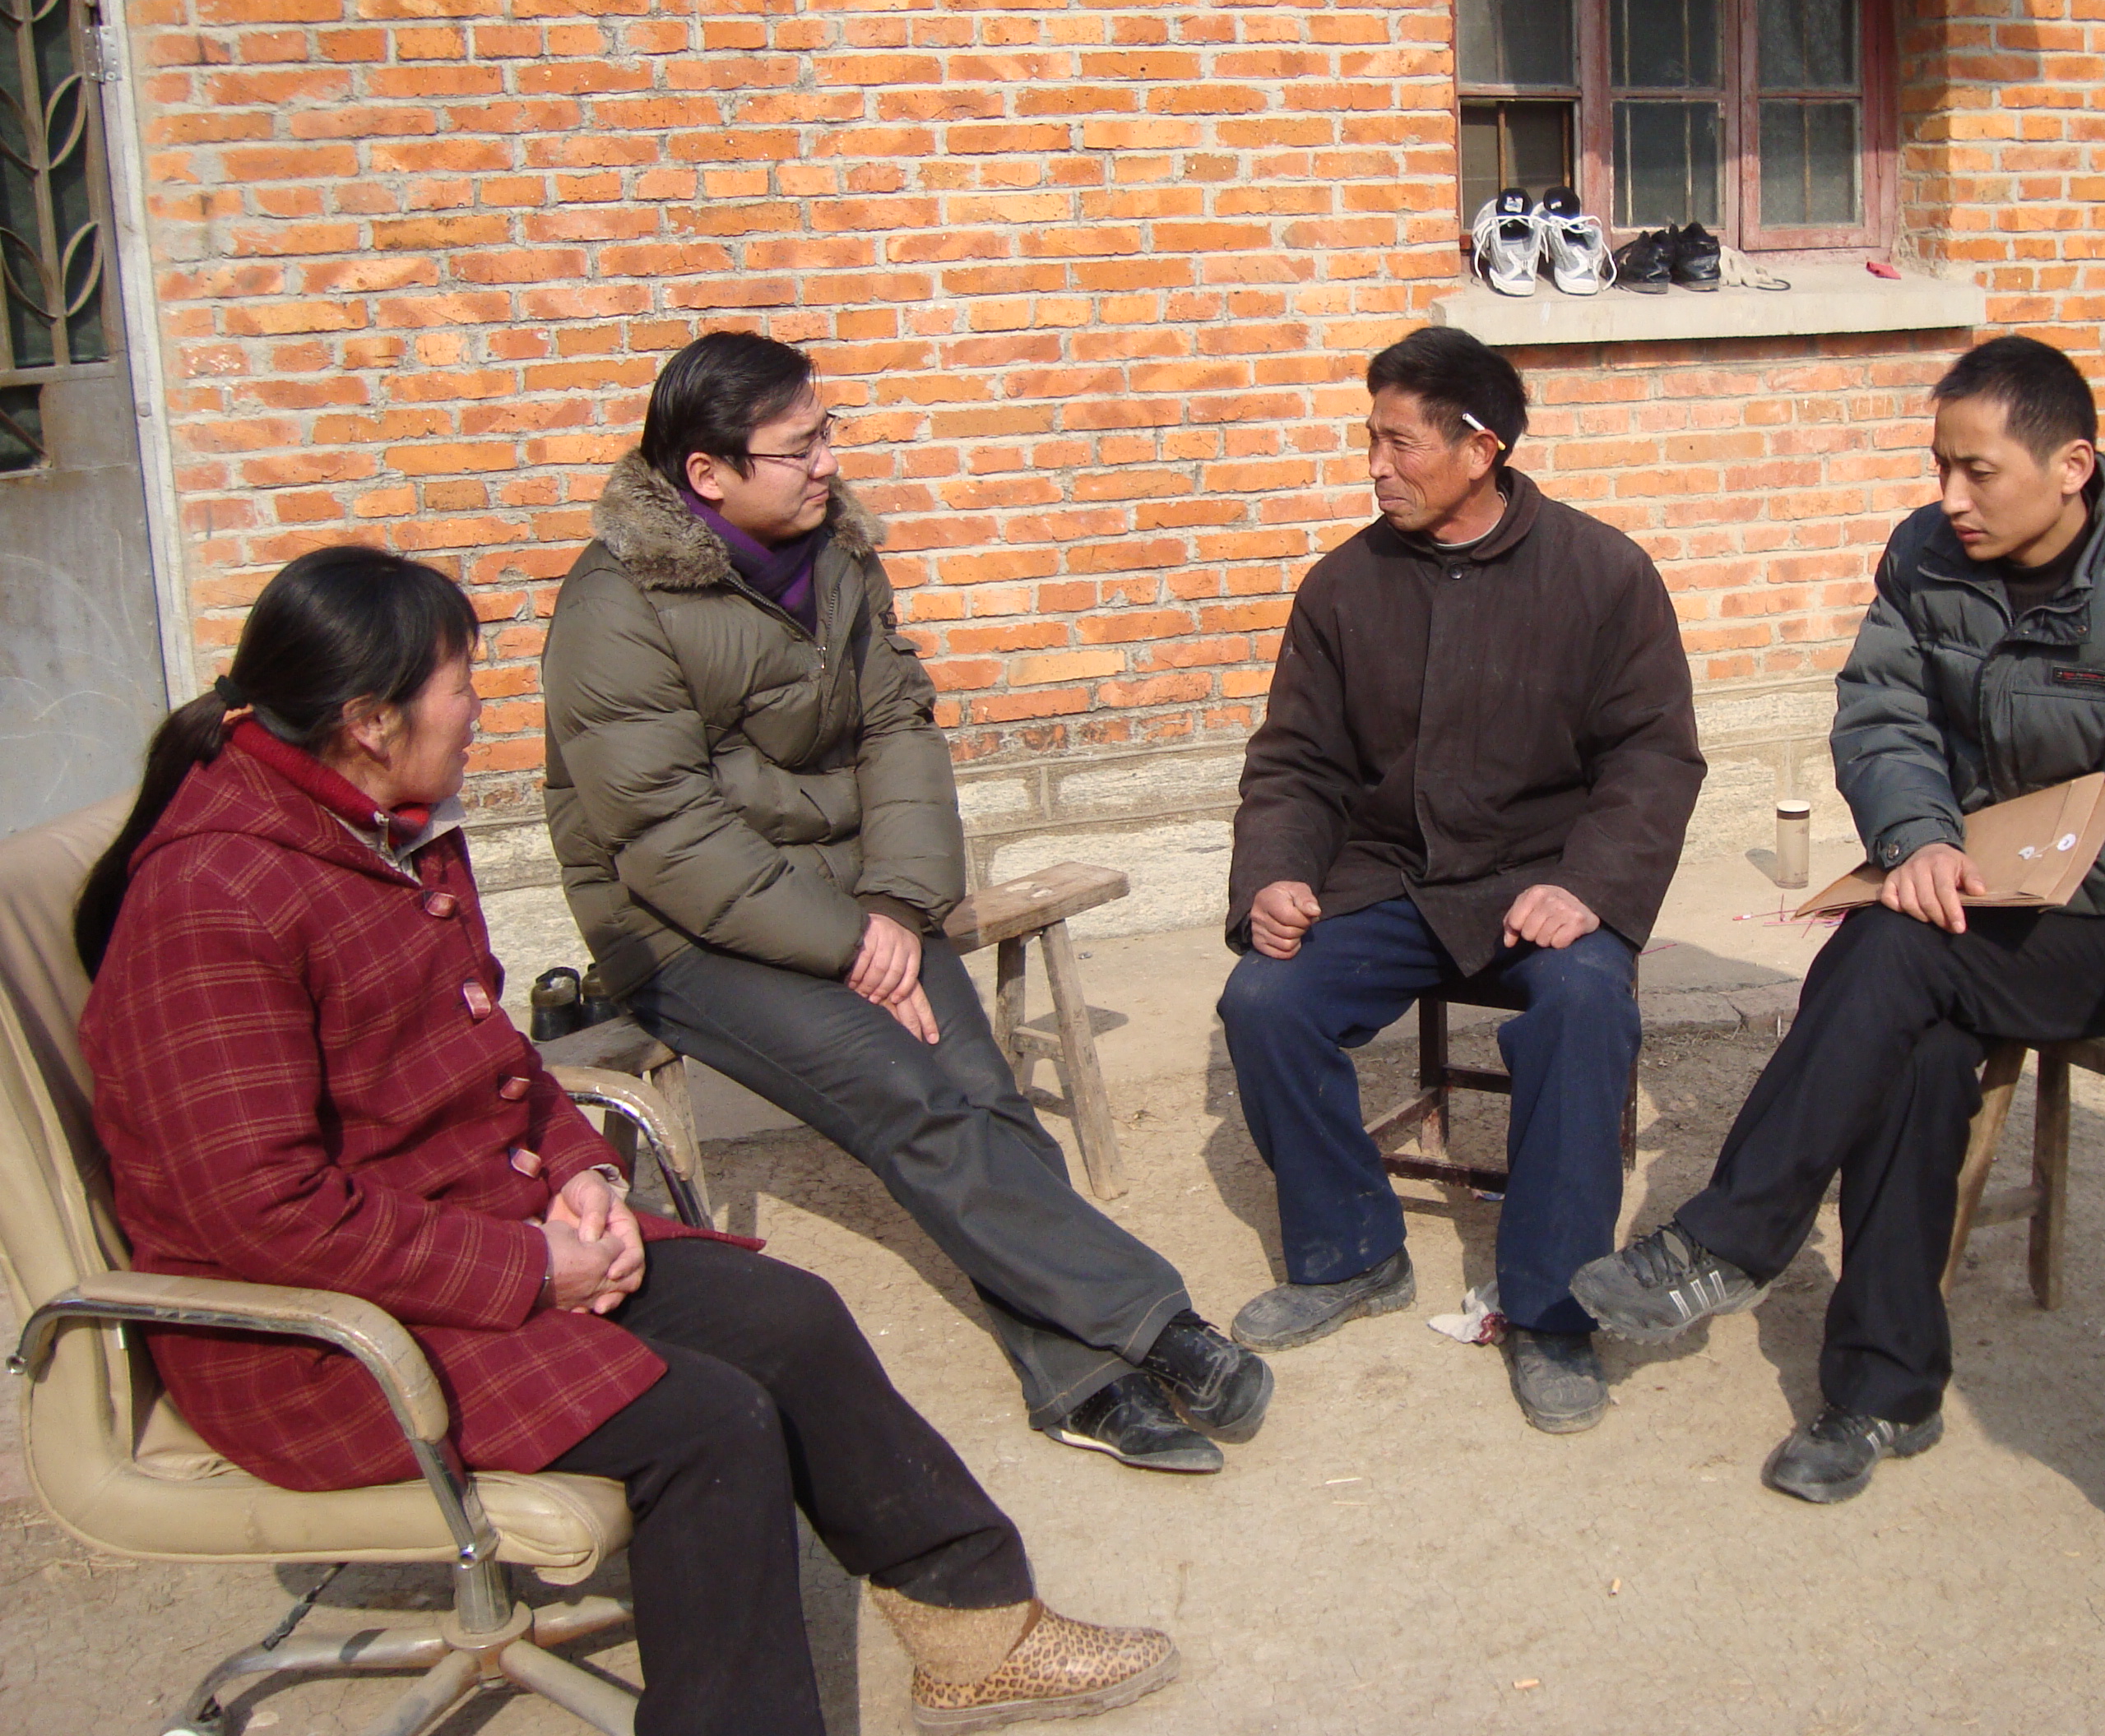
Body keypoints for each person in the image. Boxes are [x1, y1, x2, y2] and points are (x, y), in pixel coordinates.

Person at [74, 545, 1175, 1736]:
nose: (480, 708)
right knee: (709, 1429)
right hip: (317, 1339)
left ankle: (976, 1632)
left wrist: (582, 1173)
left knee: (791, 1318)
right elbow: (261, 1212)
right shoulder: (214, 900)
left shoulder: (384, 833)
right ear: (370, 722)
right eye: (460, 684)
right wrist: (530, 1267)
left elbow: (492, 1055)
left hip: (464, 1233)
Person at [540, 331, 1268, 1473]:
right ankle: (1156, 1324)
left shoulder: (835, 552)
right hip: (679, 933)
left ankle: (1075, 1381)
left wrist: (896, 902)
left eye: (826, 432)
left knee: (980, 1089)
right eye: (797, 448)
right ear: (707, 474)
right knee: (907, 1091)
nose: (827, 463)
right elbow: (663, 835)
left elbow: (899, 728)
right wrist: (851, 946)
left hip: (856, 897)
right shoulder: (615, 606)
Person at [1574, 334, 2105, 1502]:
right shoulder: (1925, 556)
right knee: (1919, 1049)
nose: (1951, 497)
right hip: (1956, 900)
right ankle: (1882, 1398)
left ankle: (1728, 1240)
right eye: (1941, 466)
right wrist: (1919, 838)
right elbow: (1883, 715)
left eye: (1979, 471)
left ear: (2073, 466)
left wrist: (1964, 880)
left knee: (1893, 947)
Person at [1216, 325, 1705, 1433]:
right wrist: (1276, 875)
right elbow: (1295, 762)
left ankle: (1551, 1309)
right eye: (1370, 442)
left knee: (1586, 1005)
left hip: (1547, 883)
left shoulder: (1602, 574)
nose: (1375, 468)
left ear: (1482, 449)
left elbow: (1654, 757)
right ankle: (1352, 1252)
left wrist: (1590, 884)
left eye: (1400, 445)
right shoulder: (1344, 587)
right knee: (1264, 998)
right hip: (1393, 877)